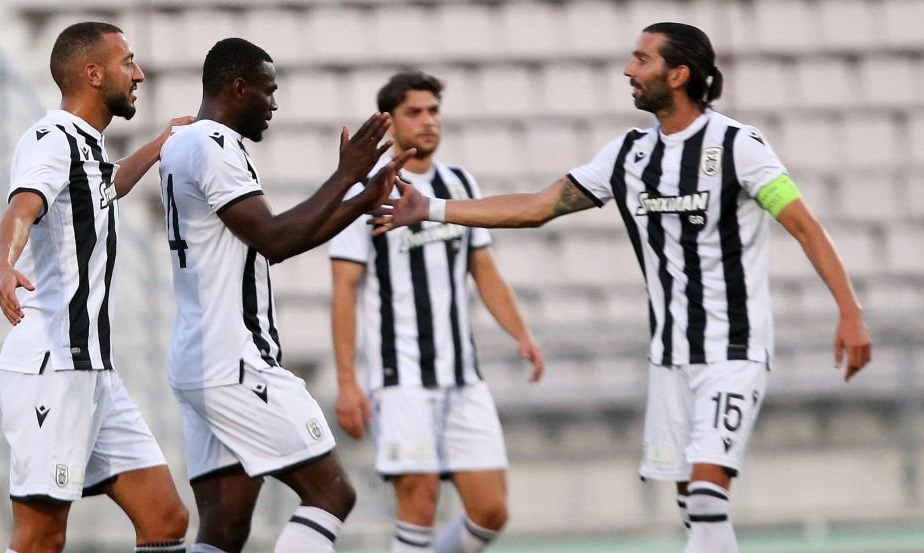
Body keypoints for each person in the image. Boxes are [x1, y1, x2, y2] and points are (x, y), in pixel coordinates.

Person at [371, 23, 872, 553]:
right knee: (695, 506)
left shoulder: (737, 146)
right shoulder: (628, 155)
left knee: (707, 496)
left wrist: (850, 311)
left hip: (734, 350)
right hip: (670, 358)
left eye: (642, 59)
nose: (629, 70)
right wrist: (432, 208)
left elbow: (805, 226)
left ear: (678, 75)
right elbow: (537, 207)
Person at [157, 38, 413, 553]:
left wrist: (360, 198)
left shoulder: (182, 144)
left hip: (198, 359)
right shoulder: (214, 146)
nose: (274, 104)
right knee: (332, 495)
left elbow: (272, 242)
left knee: (225, 527)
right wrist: (346, 175)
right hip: (235, 360)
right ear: (238, 88)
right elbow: (275, 239)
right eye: (268, 91)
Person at [0, 21, 193, 553]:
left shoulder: (89, 147)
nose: (139, 74)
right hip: (52, 367)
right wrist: (3, 265)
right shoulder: (51, 140)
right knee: (41, 537)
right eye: (128, 62)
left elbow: (104, 186)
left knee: (165, 517)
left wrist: (158, 145)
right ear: (93, 73)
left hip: (94, 369)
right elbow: (21, 209)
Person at [328, 70, 545, 553]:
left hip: (462, 376)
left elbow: (483, 269)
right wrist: (347, 381)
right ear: (390, 122)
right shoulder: (366, 191)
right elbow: (344, 289)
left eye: (433, 111)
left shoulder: (458, 182)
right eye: (415, 112)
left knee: (491, 511)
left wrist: (522, 335)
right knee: (419, 501)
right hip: (402, 376)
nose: (428, 121)